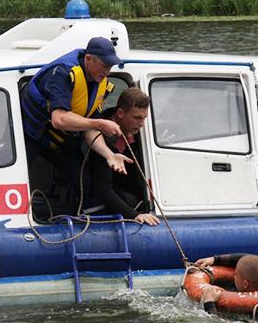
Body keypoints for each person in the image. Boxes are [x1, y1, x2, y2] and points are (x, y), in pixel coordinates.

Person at [20, 36, 130, 184]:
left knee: (84, 182)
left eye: (110, 67)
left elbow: (89, 127)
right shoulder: (63, 73)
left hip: (60, 140)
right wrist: (99, 124)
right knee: (14, 181)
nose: (107, 72)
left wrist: (110, 155)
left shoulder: (100, 83)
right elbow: (59, 119)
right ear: (89, 59)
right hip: (28, 135)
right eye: (105, 65)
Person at [86, 88, 160, 226]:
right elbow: (103, 190)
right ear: (120, 113)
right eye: (137, 118)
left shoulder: (140, 133)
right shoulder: (101, 141)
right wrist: (135, 215)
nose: (142, 124)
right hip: (108, 198)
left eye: (144, 118)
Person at [193, 253, 258, 314]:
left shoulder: (254, 311)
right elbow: (251, 258)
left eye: (236, 274)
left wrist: (209, 303)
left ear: (245, 284)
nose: (234, 276)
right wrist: (214, 259)